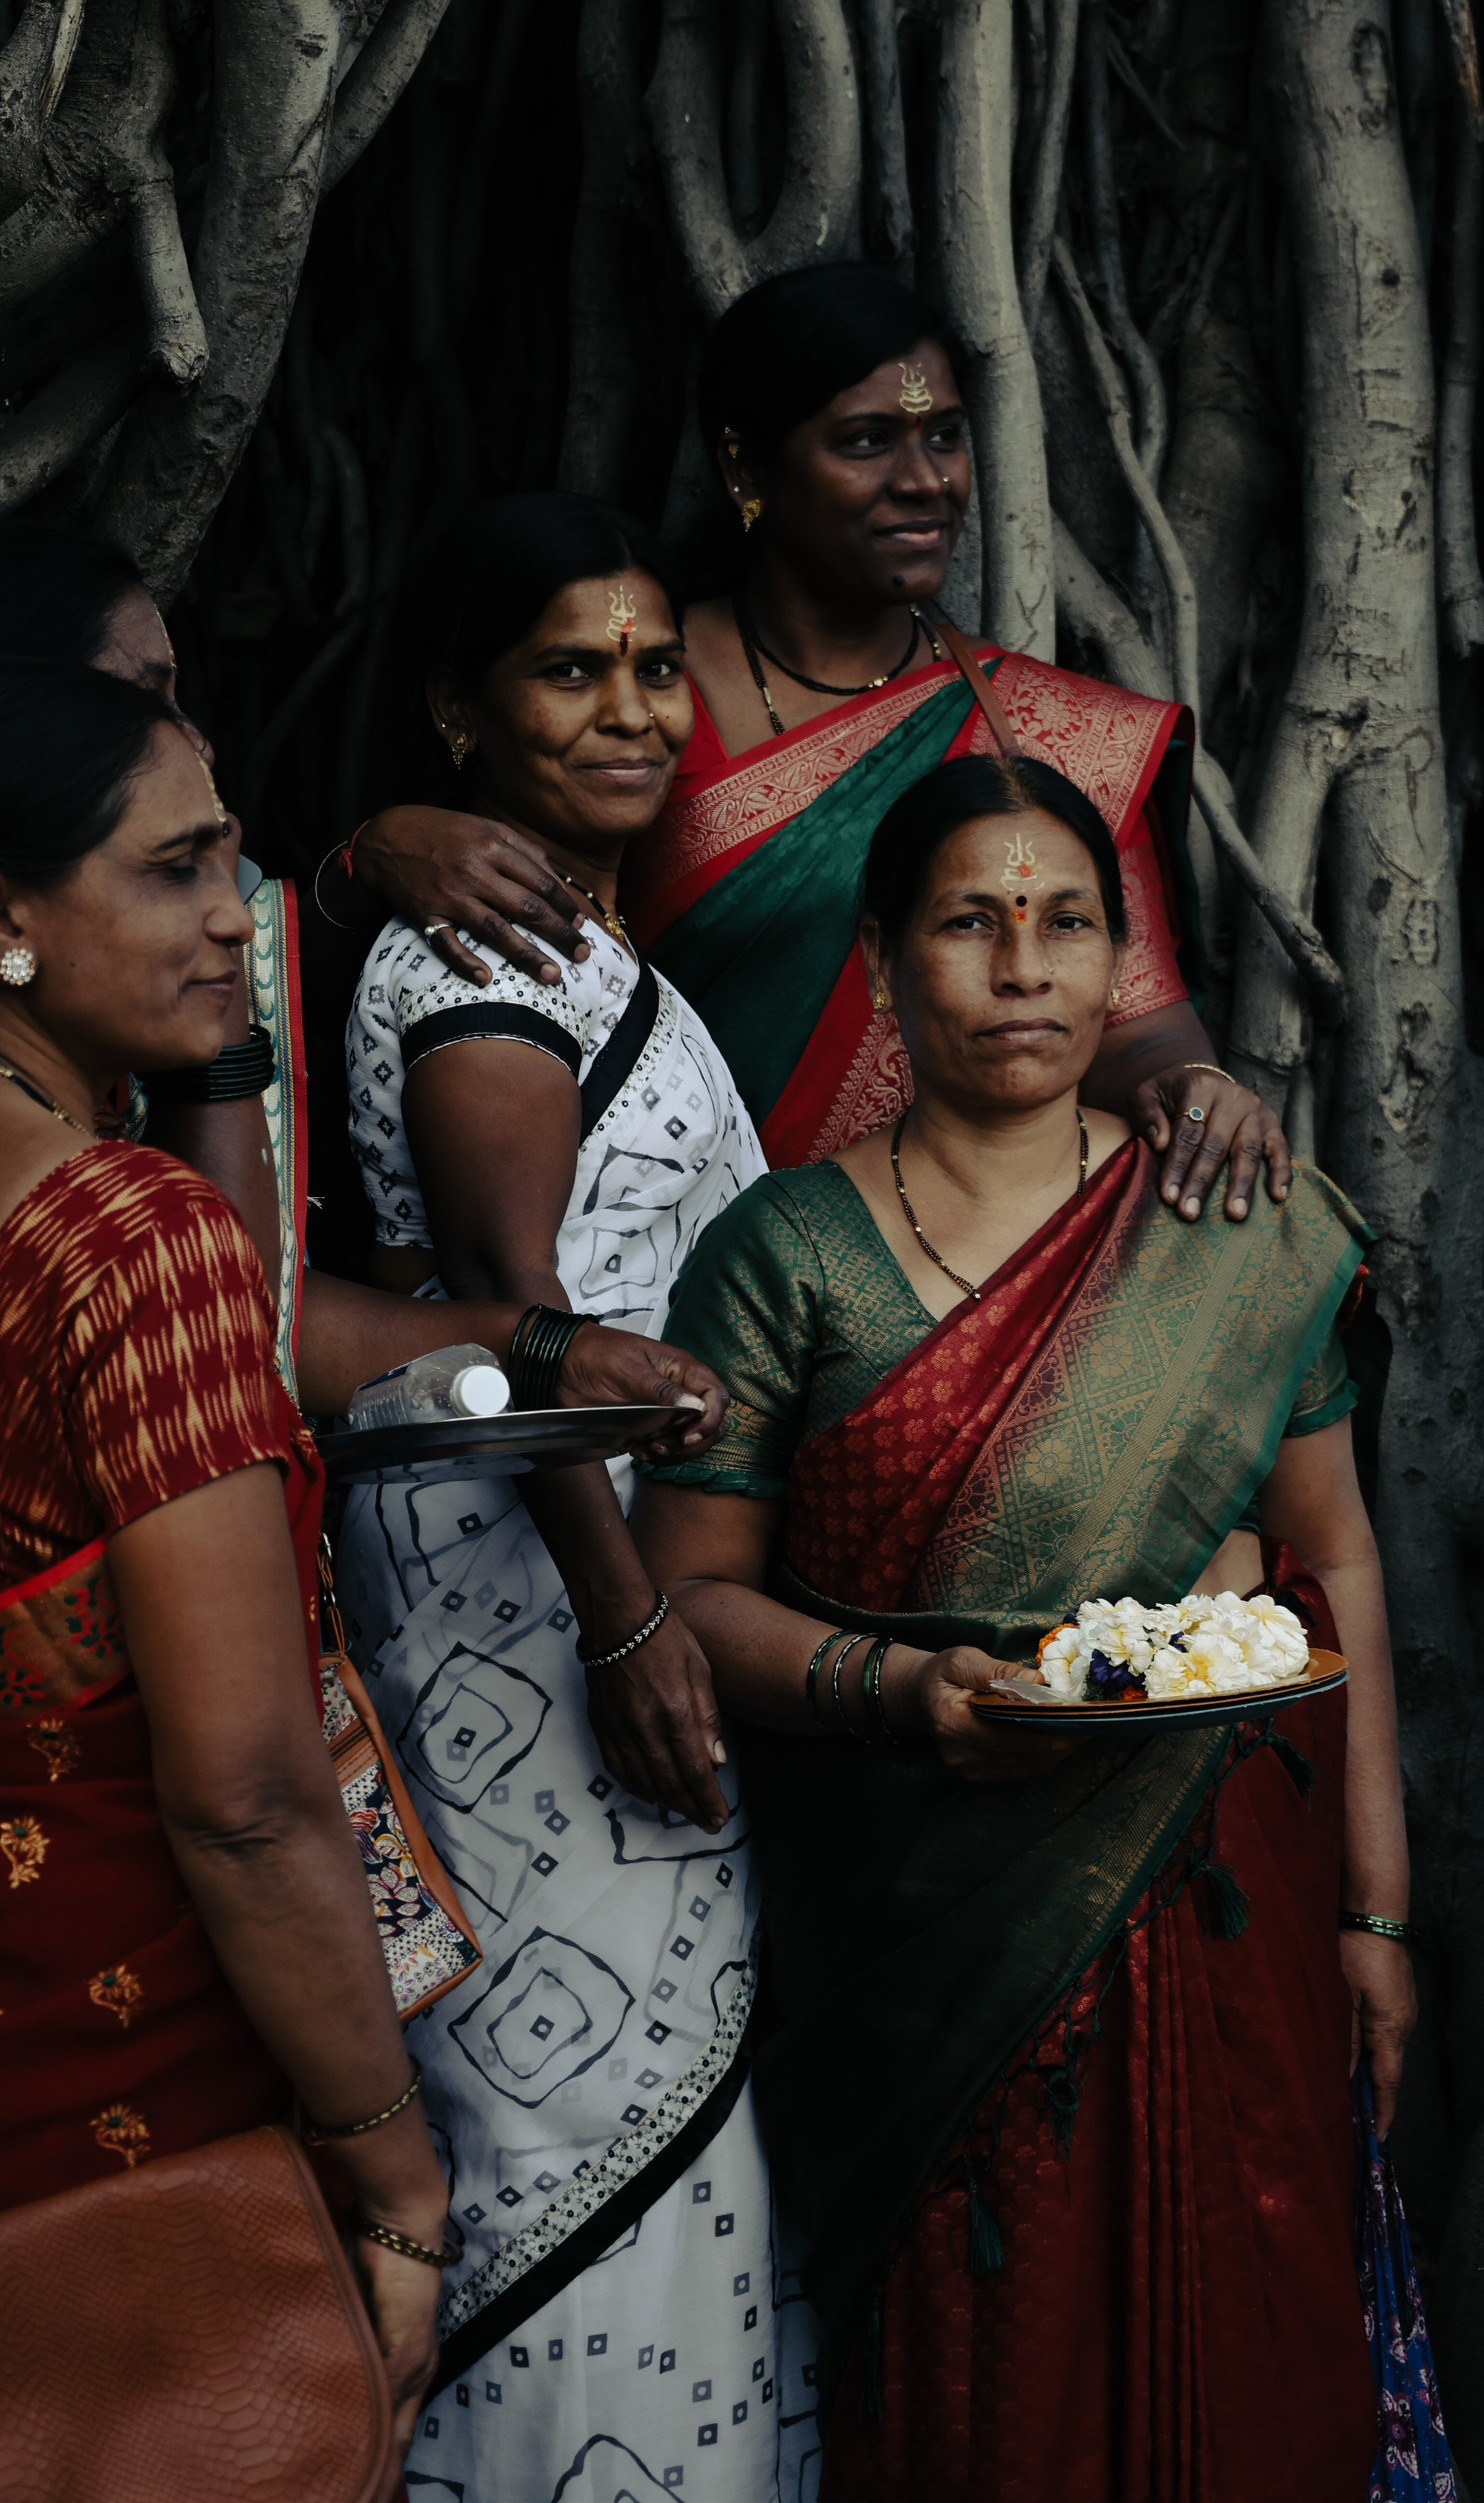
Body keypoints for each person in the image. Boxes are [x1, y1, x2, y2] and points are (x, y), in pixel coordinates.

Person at [635, 752, 1428, 2501]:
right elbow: (688, 1595)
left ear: (1120, 962)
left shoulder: (1235, 1222)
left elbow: (1333, 1563)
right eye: (970, 924)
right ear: (880, 958)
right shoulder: (784, 1255)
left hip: (1220, 1888)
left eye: (1065, 924)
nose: (1020, 969)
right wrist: (895, 1683)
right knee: (972, 2388)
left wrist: (1375, 1908)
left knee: (1252, 2335)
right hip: (913, 1927)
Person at [331, 494, 813, 2501]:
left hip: (554, 1640)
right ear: (462, 707)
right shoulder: (485, 983)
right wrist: (628, 1622)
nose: (630, 708)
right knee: (580, 2149)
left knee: (641, 2129)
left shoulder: (576, 946)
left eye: (647, 664)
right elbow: (521, 1335)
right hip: (536, 1650)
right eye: (565, 668)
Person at [0, 659, 449, 2470]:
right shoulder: (128, 1247)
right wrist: (393, 2171)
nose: (233, 920)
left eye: (237, 861)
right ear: (8, 923)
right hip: (131, 2148)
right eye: (175, 869)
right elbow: (251, 1795)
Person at [0, 519, 714, 1435]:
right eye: (142, 701)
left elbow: (261, 1319)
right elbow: (222, 1351)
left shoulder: (181, 994)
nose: (198, 744)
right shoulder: (471, 970)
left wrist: (552, 1353)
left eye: (659, 668)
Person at [619, 260, 1292, 1225]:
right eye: (866, 442)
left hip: (938, 1271)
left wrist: (1191, 1087)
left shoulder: (1050, 736)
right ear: (745, 469)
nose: (926, 480)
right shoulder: (638, 695)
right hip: (640, 1266)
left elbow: (1137, 1026)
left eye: (945, 436)